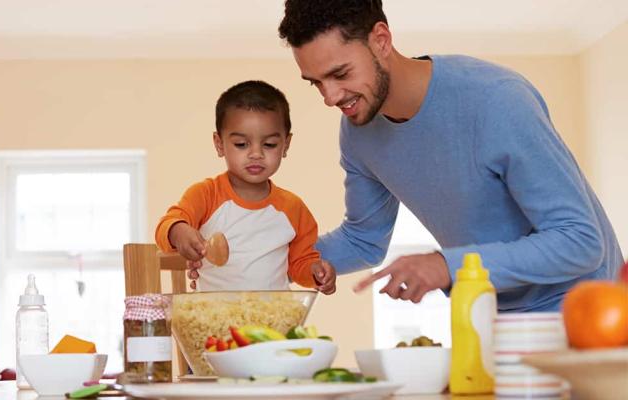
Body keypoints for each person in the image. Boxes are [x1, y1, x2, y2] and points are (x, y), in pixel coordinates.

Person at [277, 0, 622, 311]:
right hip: (492, 316)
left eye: (340, 74)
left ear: (381, 40)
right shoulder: (358, 132)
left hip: (585, 312)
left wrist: (446, 266)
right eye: (316, 82)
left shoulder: (497, 100)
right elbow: (363, 240)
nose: (330, 97)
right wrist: (269, 257)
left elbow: (580, 240)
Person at [155, 80, 337, 294]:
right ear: (219, 144)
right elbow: (166, 225)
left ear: (286, 145)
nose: (256, 154)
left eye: (269, 144)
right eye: (241, 144)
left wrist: (316, 272)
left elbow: (300, 263)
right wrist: (178, 231)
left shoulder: (293, 208)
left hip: (274, 322)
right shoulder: (205, 194)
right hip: (215, 320)